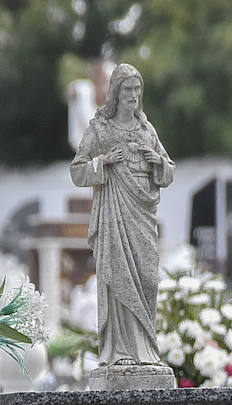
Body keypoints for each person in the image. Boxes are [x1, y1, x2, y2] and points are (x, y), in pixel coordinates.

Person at [70, 63, 175, 367]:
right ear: (116, 93)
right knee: (118, 276)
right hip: (113, 213)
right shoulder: (100, 129)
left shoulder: (146, 129)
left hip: (142, 214)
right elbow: (77, 171)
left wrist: (157, 162)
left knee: (148, 279)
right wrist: (103, 162)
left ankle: (146, 350)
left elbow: (167, 172)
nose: (133, 95)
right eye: (127, 89)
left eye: (137, 89)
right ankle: (120, 352)